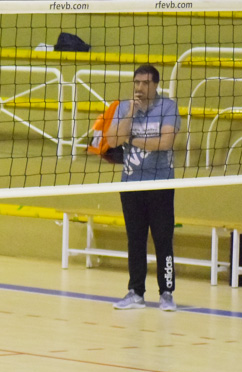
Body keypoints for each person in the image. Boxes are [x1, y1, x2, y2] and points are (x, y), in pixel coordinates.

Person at [105, 63, 180, 312]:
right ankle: (135, 292)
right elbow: (112, 140)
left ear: (155, 85)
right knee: (135, 240)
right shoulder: (125, 108)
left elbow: (165, 142)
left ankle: (166, 293)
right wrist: (129, 114)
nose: (139, 87)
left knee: (163, 240)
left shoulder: (168, 107)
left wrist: (133, 140)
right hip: (131, 185)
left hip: (160, 184)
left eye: (145, 83)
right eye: (136, 83)